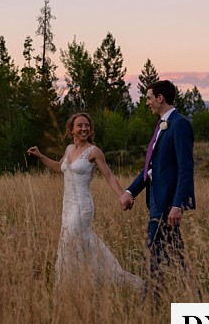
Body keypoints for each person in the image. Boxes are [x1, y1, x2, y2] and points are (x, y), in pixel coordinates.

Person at [28, 112, 142, 289]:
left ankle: (78, 285)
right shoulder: (68, 150)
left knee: (73, 241)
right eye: (80, 125)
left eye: (87, 125)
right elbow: (59, 168)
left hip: (83, 207)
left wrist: (122, 195)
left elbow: (109, 176)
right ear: (71, 130)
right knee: (73, 242)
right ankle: (80, 284)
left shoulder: (94, 152)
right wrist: (41, 156)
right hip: (67, 206)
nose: (84, 129)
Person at [120, 79, 196, 299]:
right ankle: (195, 297)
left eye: (149, 98)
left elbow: (185, 168)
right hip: (157, 202)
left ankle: (149, 303)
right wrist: (130, 191)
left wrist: (178, 204)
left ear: (160, 98)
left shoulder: (179, 124)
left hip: (166, 205)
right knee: (177, 257)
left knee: (153, 255)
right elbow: (152, 168)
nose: (147, 103)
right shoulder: (163, 125)